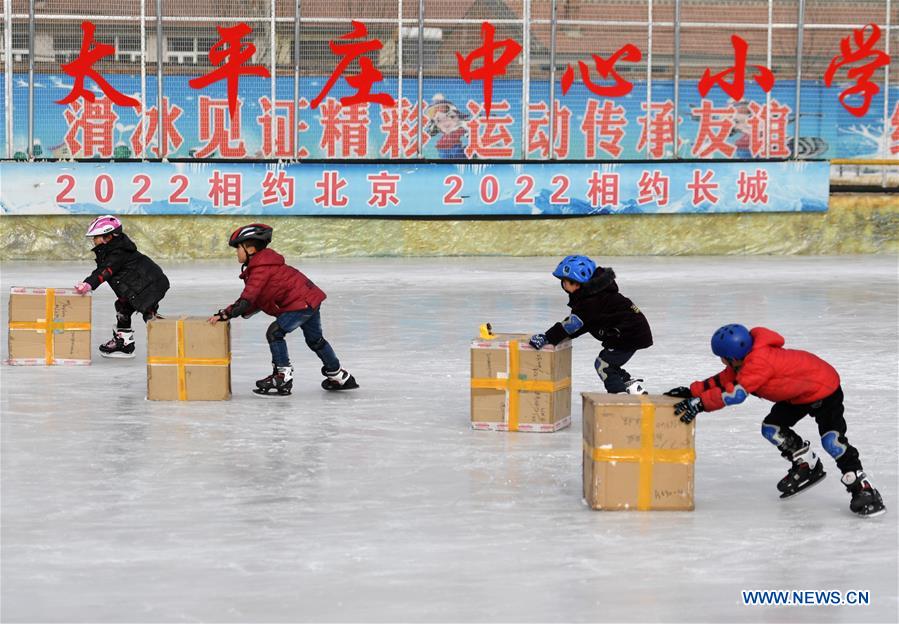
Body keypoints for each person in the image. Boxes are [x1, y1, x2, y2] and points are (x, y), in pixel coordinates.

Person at [666, 324, 885, 517]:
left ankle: (863, 488)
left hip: (824, 389)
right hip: (799, 395)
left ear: (732, 357)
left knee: (832, 441)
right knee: (772, 428)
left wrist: (701, 404)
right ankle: (807, 464)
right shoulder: (745, 360)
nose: (722, 361)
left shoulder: (759, 362)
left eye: (722, 357)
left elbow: (735, 394)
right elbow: (724, 379)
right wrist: (692, 391)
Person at [208, 223, 357, 397]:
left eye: (238, 248)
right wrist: (240, 311)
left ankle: (282, 376)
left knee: (275, 333)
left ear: (250, 248)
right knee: (315, 340)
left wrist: (225, 314)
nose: (236, 253)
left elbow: (248, 298)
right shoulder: (263, 265)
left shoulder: (260, 268)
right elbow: (258, 299)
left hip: (300, 304)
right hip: (310, 300)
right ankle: (338, 376)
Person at [529, 255, 653, 394]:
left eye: (564, 282)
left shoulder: (590, 301)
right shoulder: (597, 294)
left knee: (603, 365)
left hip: (627, 334)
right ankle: (629, 385)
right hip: (631, 331)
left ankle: (619, 396)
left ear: (576, 283)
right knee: (608, 363)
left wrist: (548, 337)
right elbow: (583, 323)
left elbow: (573, 324)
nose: (563, 285)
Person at [74, 215, 169, 358]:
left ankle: (171, 342)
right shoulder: (112, 249)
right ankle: (124, 344)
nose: (93, 240)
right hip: (140, 286)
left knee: (148, 314)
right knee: (123, 307)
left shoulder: (118, 252)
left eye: (96, 236)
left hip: (148, 286)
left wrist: (89, 284)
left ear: (108, 237)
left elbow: (105, 271)